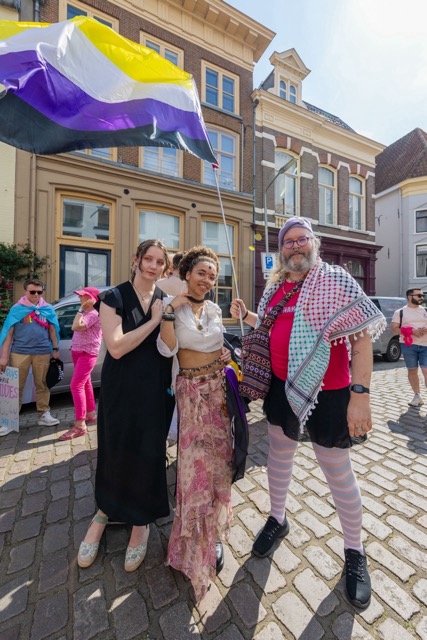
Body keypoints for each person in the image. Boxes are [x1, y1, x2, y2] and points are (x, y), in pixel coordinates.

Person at [230, 217, 386, 610]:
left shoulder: (334, 280)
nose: (296, 246)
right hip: (282, 388)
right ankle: (277, 518)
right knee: (279, 457)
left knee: (337, 472)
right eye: (289, 241)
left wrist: (360, 396)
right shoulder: (275, 288)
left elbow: (361, 340)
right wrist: (248, 317)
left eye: (302, 239)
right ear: (281, 250)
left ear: (314, 243)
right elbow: (272, 328)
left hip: (330, 393)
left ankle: (355, 551)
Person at [77, 240, 175, 572]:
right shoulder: (113, 297)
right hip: (121, 388)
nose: (153, 266)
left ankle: (141, 520)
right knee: (116, 447)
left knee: (149, 451)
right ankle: (105, 511)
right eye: (148, 259)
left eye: (159, 262)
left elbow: (172, 344)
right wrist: (153, 321)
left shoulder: (165, 299)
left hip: (156, 390)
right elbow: (116, 347)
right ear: (136, 260)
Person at [157, 246, 233, 602]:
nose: (207, 279)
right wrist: (171, 311)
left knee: (218, 466)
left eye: (212, 275)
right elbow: (166, 349)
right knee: (193, 469)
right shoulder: (170, 306)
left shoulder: (216, 310)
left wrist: (226, 356)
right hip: (191, 394)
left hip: (219, 393)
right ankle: (190, 542)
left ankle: (212, 534)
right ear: (186, 273)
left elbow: (218, 345)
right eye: (202, 272)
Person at [0, 278, 61, 426]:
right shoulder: (17, 309)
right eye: (32, 292)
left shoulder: (47, 309)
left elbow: (53, 330)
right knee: (15, 387)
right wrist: (4, 357)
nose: (36, 295)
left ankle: (44, 414)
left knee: (42, 384)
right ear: (25, 291)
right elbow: (9, 334)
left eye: (39, 292)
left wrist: (55, 349)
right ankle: (9, 421)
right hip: (19, 353)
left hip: (43, 352)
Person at [58, 287, 102, 441]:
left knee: (76, 385)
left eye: (83, 296)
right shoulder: (89, 313)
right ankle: (90, 414)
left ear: (91, 299)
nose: (80, 298)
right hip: (78, 351)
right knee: (85, 383)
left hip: (87, 353)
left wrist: (81, 310)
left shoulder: (93, 313)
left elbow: (75, 327)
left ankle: (80, 425)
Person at [391, 288, 427, 407]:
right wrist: (411, 331)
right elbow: (394, 329)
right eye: (419, 295)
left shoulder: (426, 310)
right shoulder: (400, 312)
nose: (422, 297)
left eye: (422, 295)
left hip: (426, 345)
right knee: (412, 371)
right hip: (408, 346)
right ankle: (417, 396)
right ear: (410, 297)